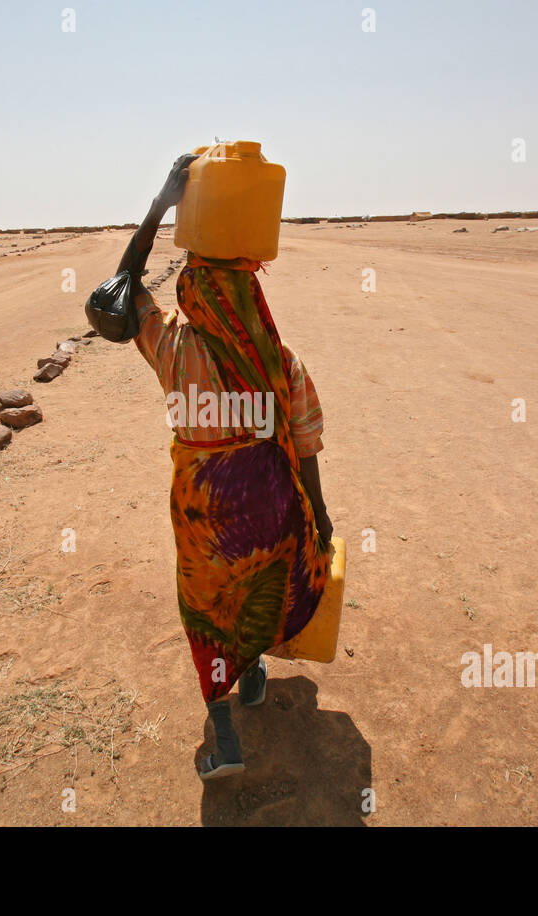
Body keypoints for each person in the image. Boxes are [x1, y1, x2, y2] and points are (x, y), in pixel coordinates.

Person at [115, 154, 333, 780]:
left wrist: (160, 205)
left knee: (209, 611)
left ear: (194, 298)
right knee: (261, 586)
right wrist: (315, 512)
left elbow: (123, 291)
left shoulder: (174, 350)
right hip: (275, 508)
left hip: (205, 519)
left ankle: (227, 735)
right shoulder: (281, 360)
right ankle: (257, 673)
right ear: (251, 298)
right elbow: (308, 440)